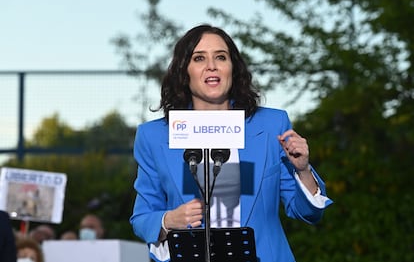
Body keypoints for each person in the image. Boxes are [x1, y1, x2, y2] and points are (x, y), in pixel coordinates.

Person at [130, 24, 333, 262]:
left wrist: (303, 170)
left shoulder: (271, 125)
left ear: (233, 69)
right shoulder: (153, 136)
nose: (211, 66)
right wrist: (168, 221)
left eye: (221, 57)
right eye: (199, 58)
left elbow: (306, 213)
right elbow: (142, 218)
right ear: (184, 72)